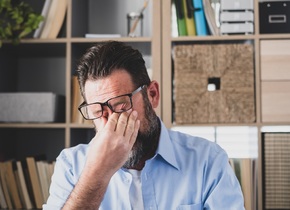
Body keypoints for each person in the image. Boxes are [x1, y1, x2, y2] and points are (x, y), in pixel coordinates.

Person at [43, 41, 245, 210]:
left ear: (153, 95)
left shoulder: (208, 161)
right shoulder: (71, 166)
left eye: (121, 106)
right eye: (98, 112)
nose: (111, 125)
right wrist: (98, 173)